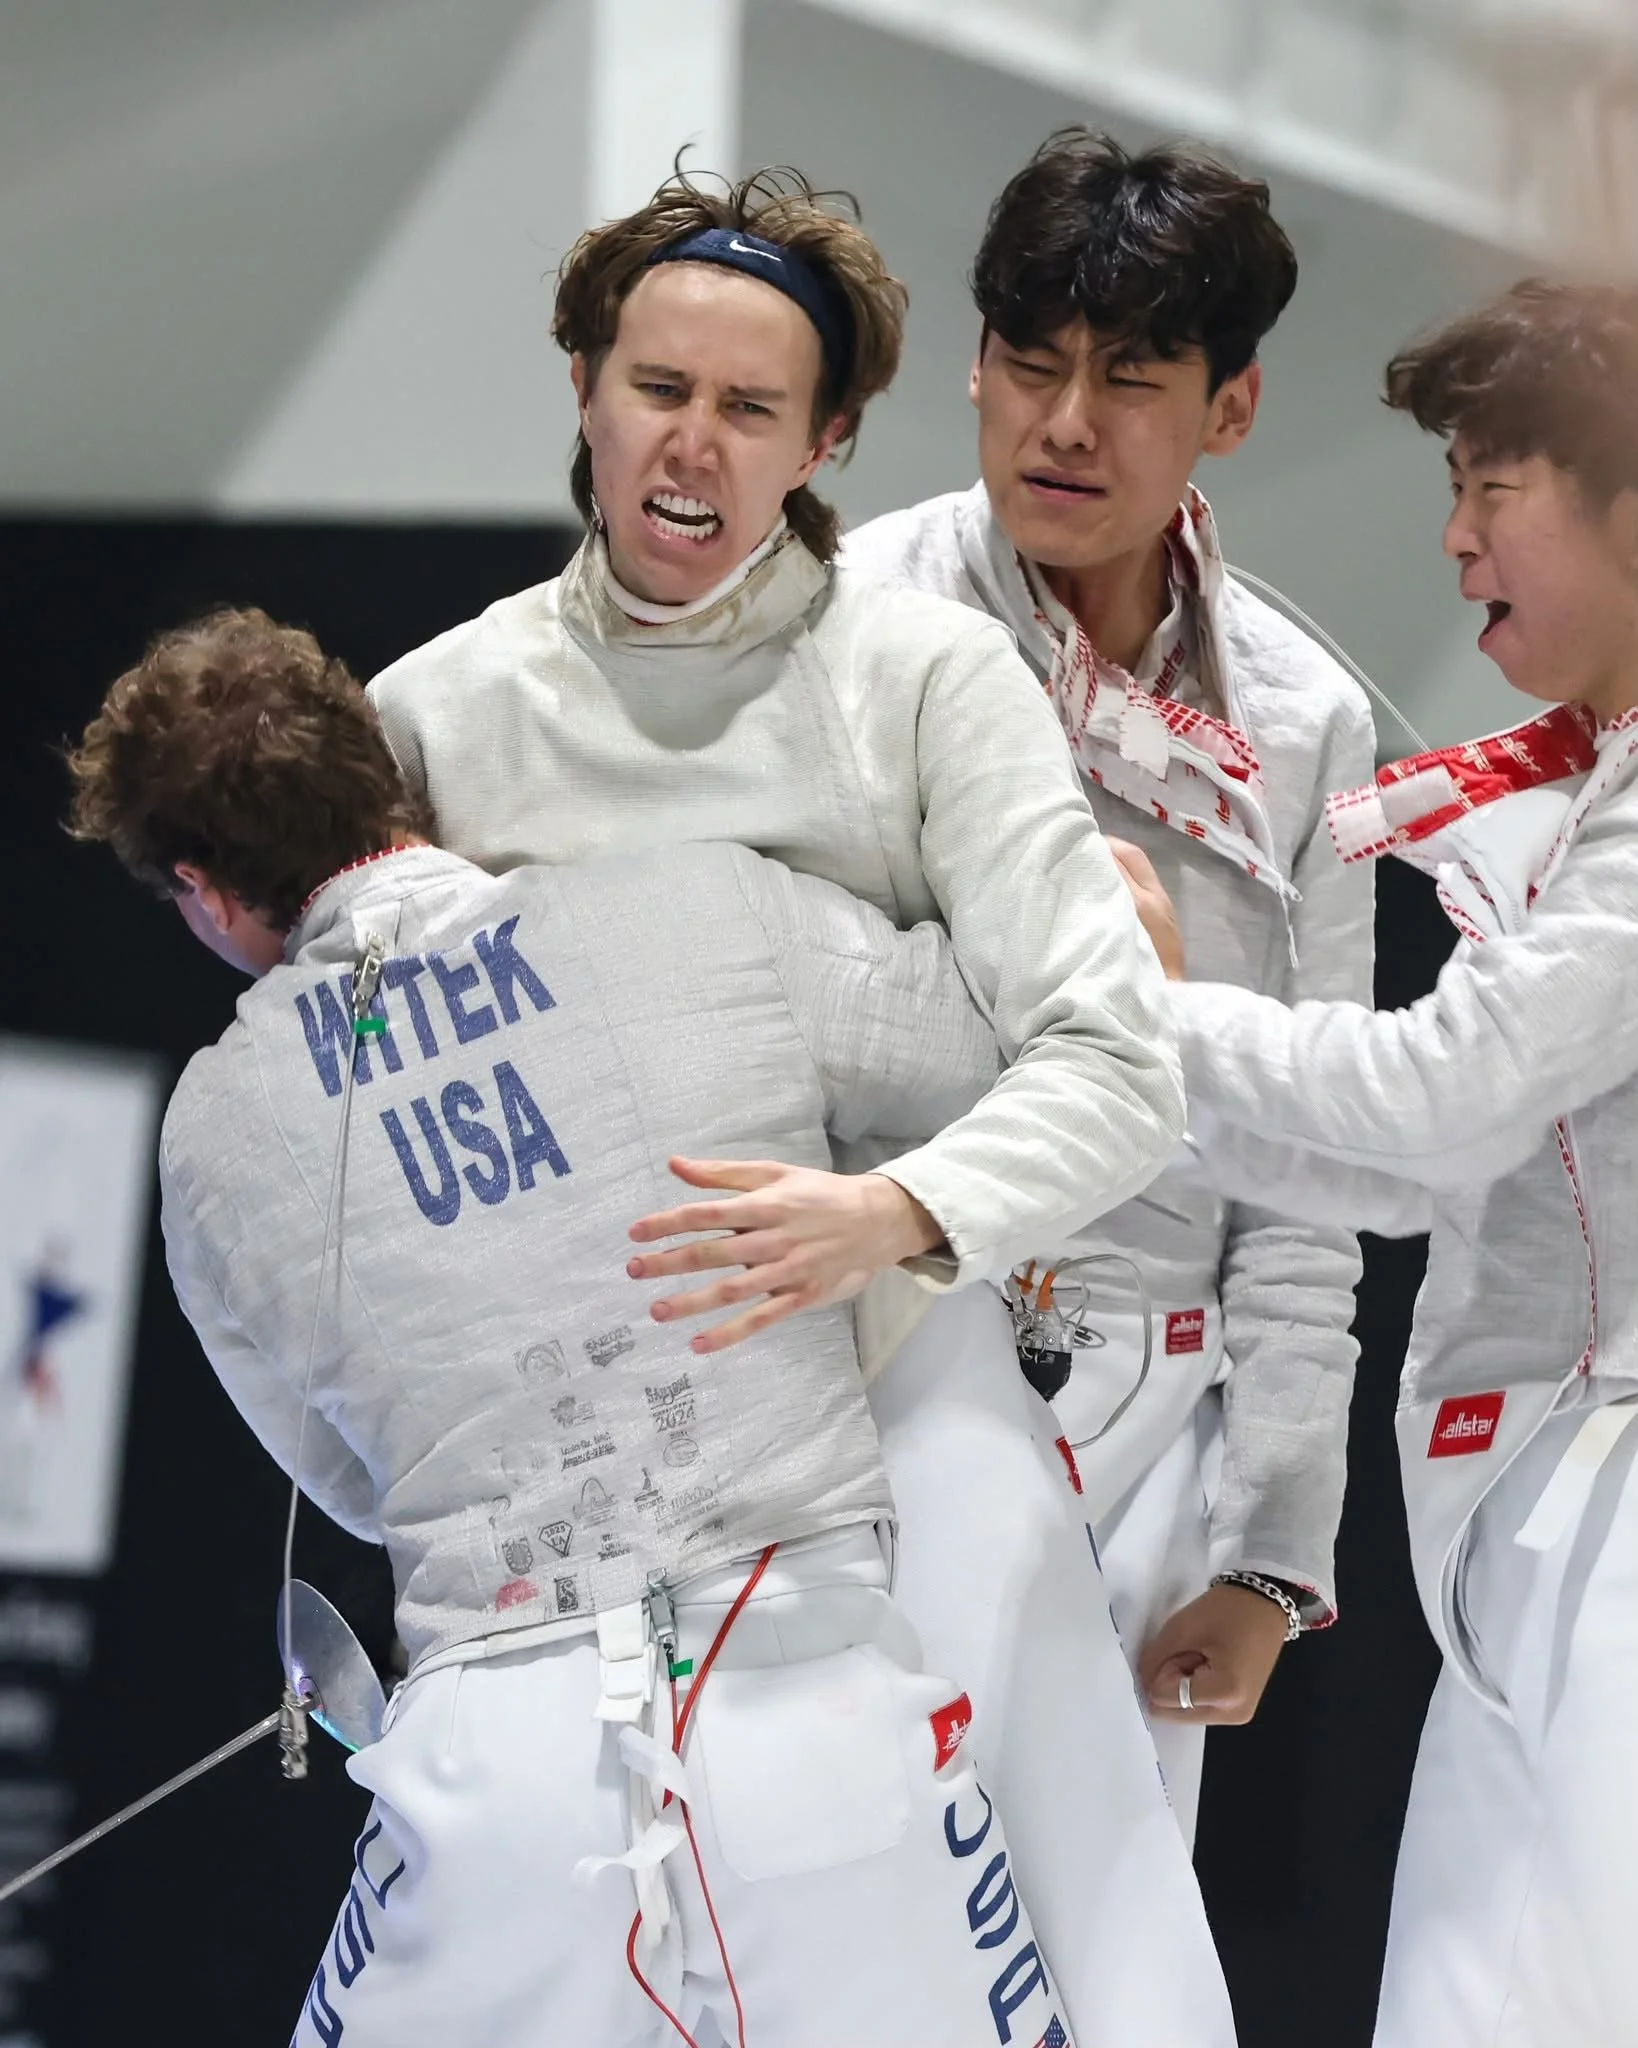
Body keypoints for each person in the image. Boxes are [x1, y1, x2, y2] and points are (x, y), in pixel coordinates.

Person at [367, 167, 1236, 2045]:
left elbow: (1119, 1063)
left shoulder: (924, 681)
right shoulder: (434, 717)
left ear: (824, 440)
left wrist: (883, 1216)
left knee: (1061, 1955)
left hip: (892, 1393)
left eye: (751, 407)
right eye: (658, 388)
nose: (694, 444)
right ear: (586, 390)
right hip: (577, 1454)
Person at [66, 606, 1092, 2048]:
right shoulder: (707, 905)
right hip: (816, 1705)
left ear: (204, 889)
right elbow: (1004, 1067)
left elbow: (346, 1475)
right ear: (381, 771)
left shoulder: (211, 1136)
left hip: (496, 1783)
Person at [1116, 279, 1638, 2048]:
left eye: (1492, 488)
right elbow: (1420, 1173)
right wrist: (1125, 1070)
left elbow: (1438, 1106)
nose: (1453, 536)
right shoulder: (1590, 785)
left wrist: (1140, 1011)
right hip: (1549, 1499)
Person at [844, 131, 1376, 1838]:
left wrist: (1270, 1552)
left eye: (1131, 378)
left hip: (1154, 1419)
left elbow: (1307, 1166)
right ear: (975, 365)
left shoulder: (1300, 720)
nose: (1064, 422)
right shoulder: (845, 623)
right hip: (871, 1370)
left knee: (1093, 1954)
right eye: (1029, 363)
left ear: (1231, 406)